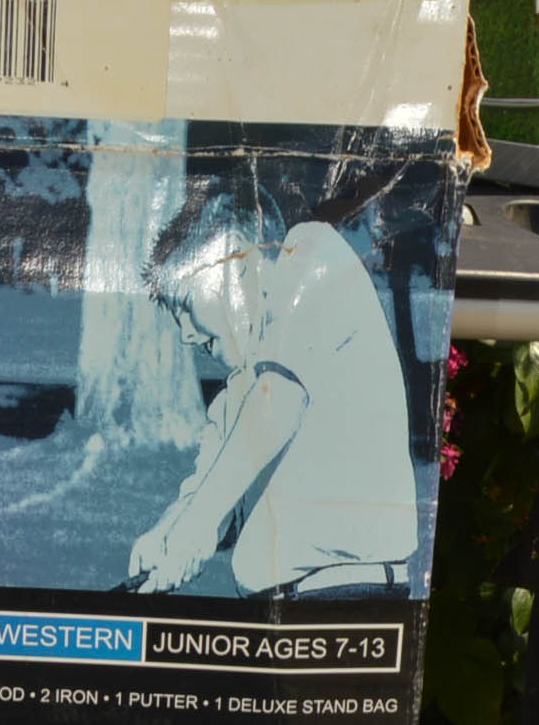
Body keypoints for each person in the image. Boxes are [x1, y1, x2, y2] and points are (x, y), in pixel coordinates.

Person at [127, 190, 419, 597]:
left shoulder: (311, 255)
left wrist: (195, 524)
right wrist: (165, 537)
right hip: (279, 612)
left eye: (187, 305)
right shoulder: (240, 391)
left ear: (234, 255)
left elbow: (277, 404)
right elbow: (206, 490)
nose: (186, 335)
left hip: (342, 598)